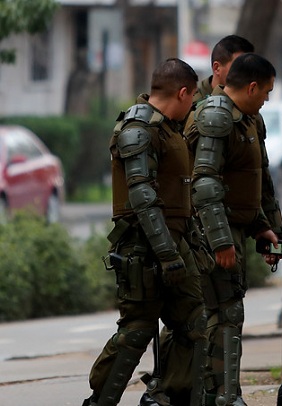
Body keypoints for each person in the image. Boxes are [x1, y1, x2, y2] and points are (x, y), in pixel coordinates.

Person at [82, 58, 206, 406]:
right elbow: (142, 197)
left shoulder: (167, 128)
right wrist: (167, 254)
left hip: (174, 244)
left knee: (196, 323)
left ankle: (166, 397)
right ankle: (99, 402)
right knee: (138, 328)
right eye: (192, 97)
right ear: (183, 92)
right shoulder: (139, 127)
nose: (193, 105)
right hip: (143, 247)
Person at [187, 52, 282, 406]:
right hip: (213, 236)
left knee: (226, 313)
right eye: (267, 92)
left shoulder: (247, 120)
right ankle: (224, 397)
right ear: (253, 86)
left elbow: (252, 182)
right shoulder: (216, 115)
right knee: (224, 313)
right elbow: (205, 182)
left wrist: (265, 228)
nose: (268, 99)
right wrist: (220, 240)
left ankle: (221, 395)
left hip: (234, 232)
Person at [194, 35, 255, 103]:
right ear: (217, 68)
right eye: (239, 67)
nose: (246, 74)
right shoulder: (191, 103)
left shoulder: (248, 103)